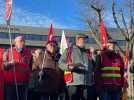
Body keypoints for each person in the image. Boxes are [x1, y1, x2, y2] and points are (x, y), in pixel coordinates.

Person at [59, 33, 95, 100]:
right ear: (78, 39)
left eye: (85, 40)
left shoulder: (87, 52)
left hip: (87, 83)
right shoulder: (69, 50)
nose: (85, 41)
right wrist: (70, 67)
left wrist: (93, 54)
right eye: (83, 39)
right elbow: (60, 63)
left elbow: (93, 66)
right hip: (73, 83)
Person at [3, 36, 32, 100]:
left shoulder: (29, 52)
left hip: (24, 84)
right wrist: (10, 63)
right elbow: (3, 66)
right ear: (15, 43)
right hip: (11, 84)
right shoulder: (8, 51)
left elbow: (31, 66)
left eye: (24, 41)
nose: (23, 43)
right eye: (21, 41)